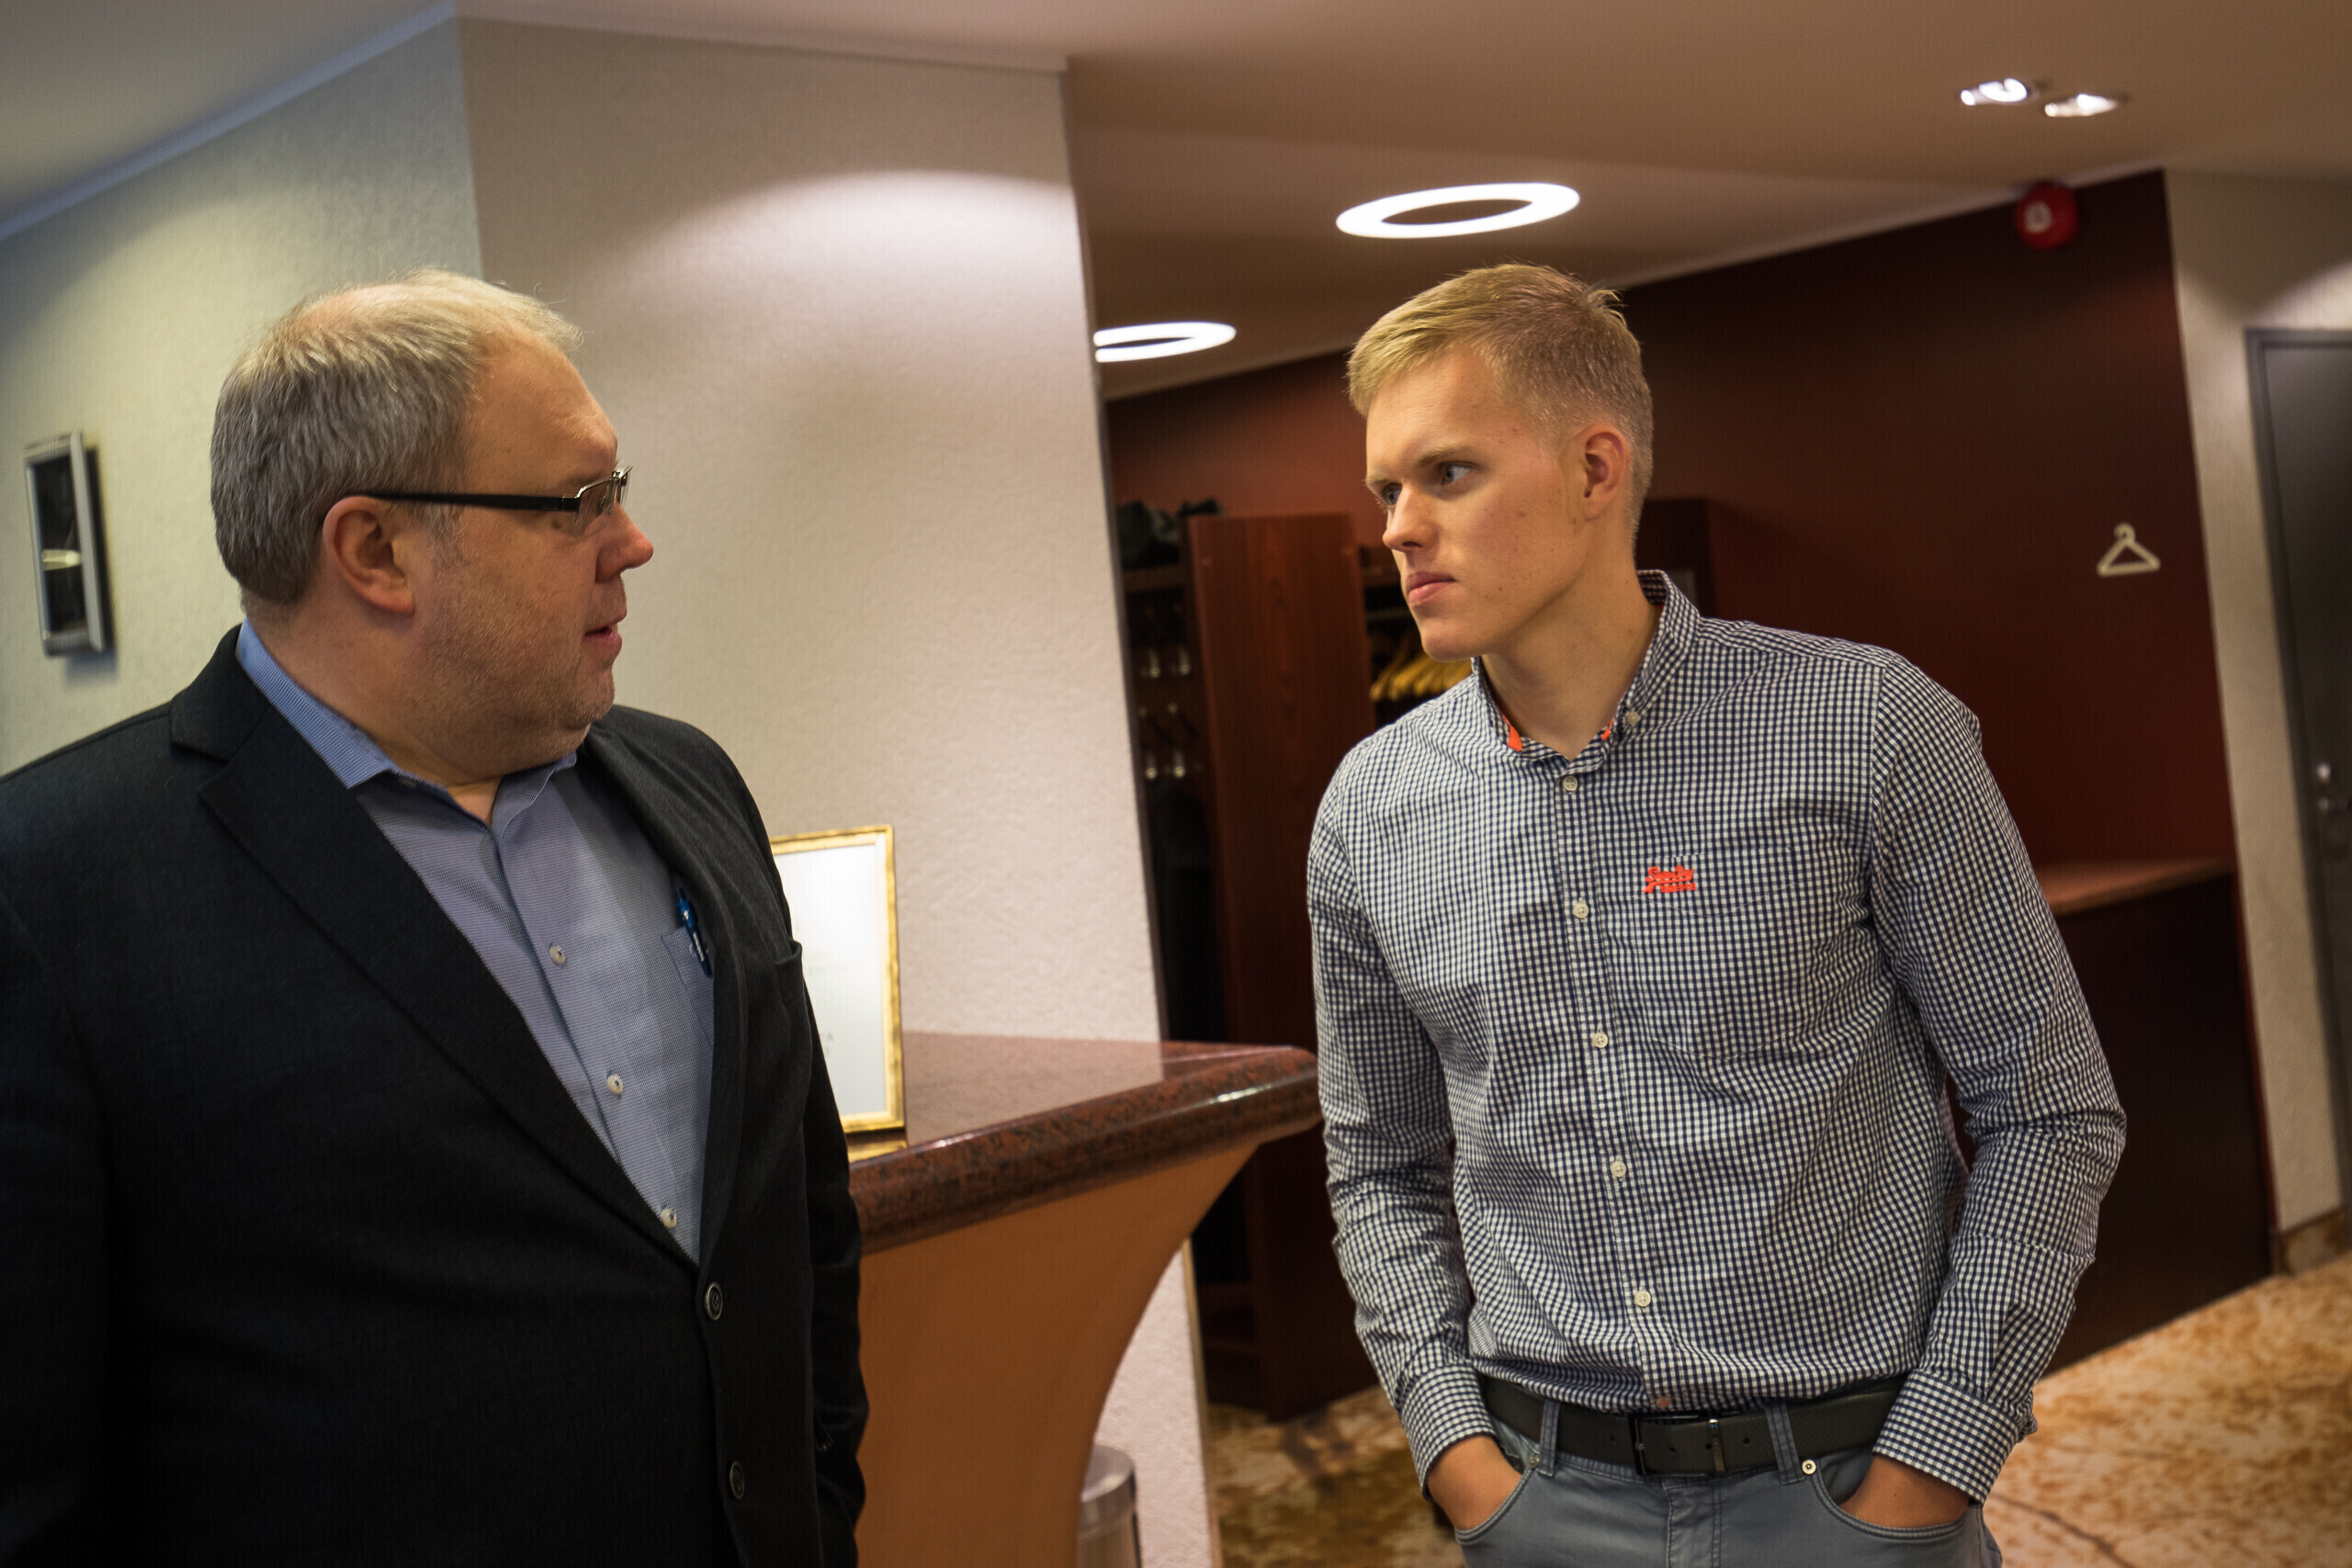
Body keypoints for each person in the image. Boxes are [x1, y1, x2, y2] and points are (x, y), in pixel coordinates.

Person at [0, 272, 865, 1565]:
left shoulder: (691, 783)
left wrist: (822, 1510)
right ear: (377, 553)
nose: (631, 542)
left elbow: (802, 1231)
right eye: (578, 502)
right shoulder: (54, 892)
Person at [1310, 264, 2123, 1565]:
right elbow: (1379, 1168)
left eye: (1447, 474)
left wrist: (1932, 1463)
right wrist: (1460, 1463)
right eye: (1386, 491)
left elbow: (2051, 1109)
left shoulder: (1865, 729)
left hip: (1849, 1492)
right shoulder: (1370, 809)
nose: (1400, 528)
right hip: (1542, 1502)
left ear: (1595, 469)